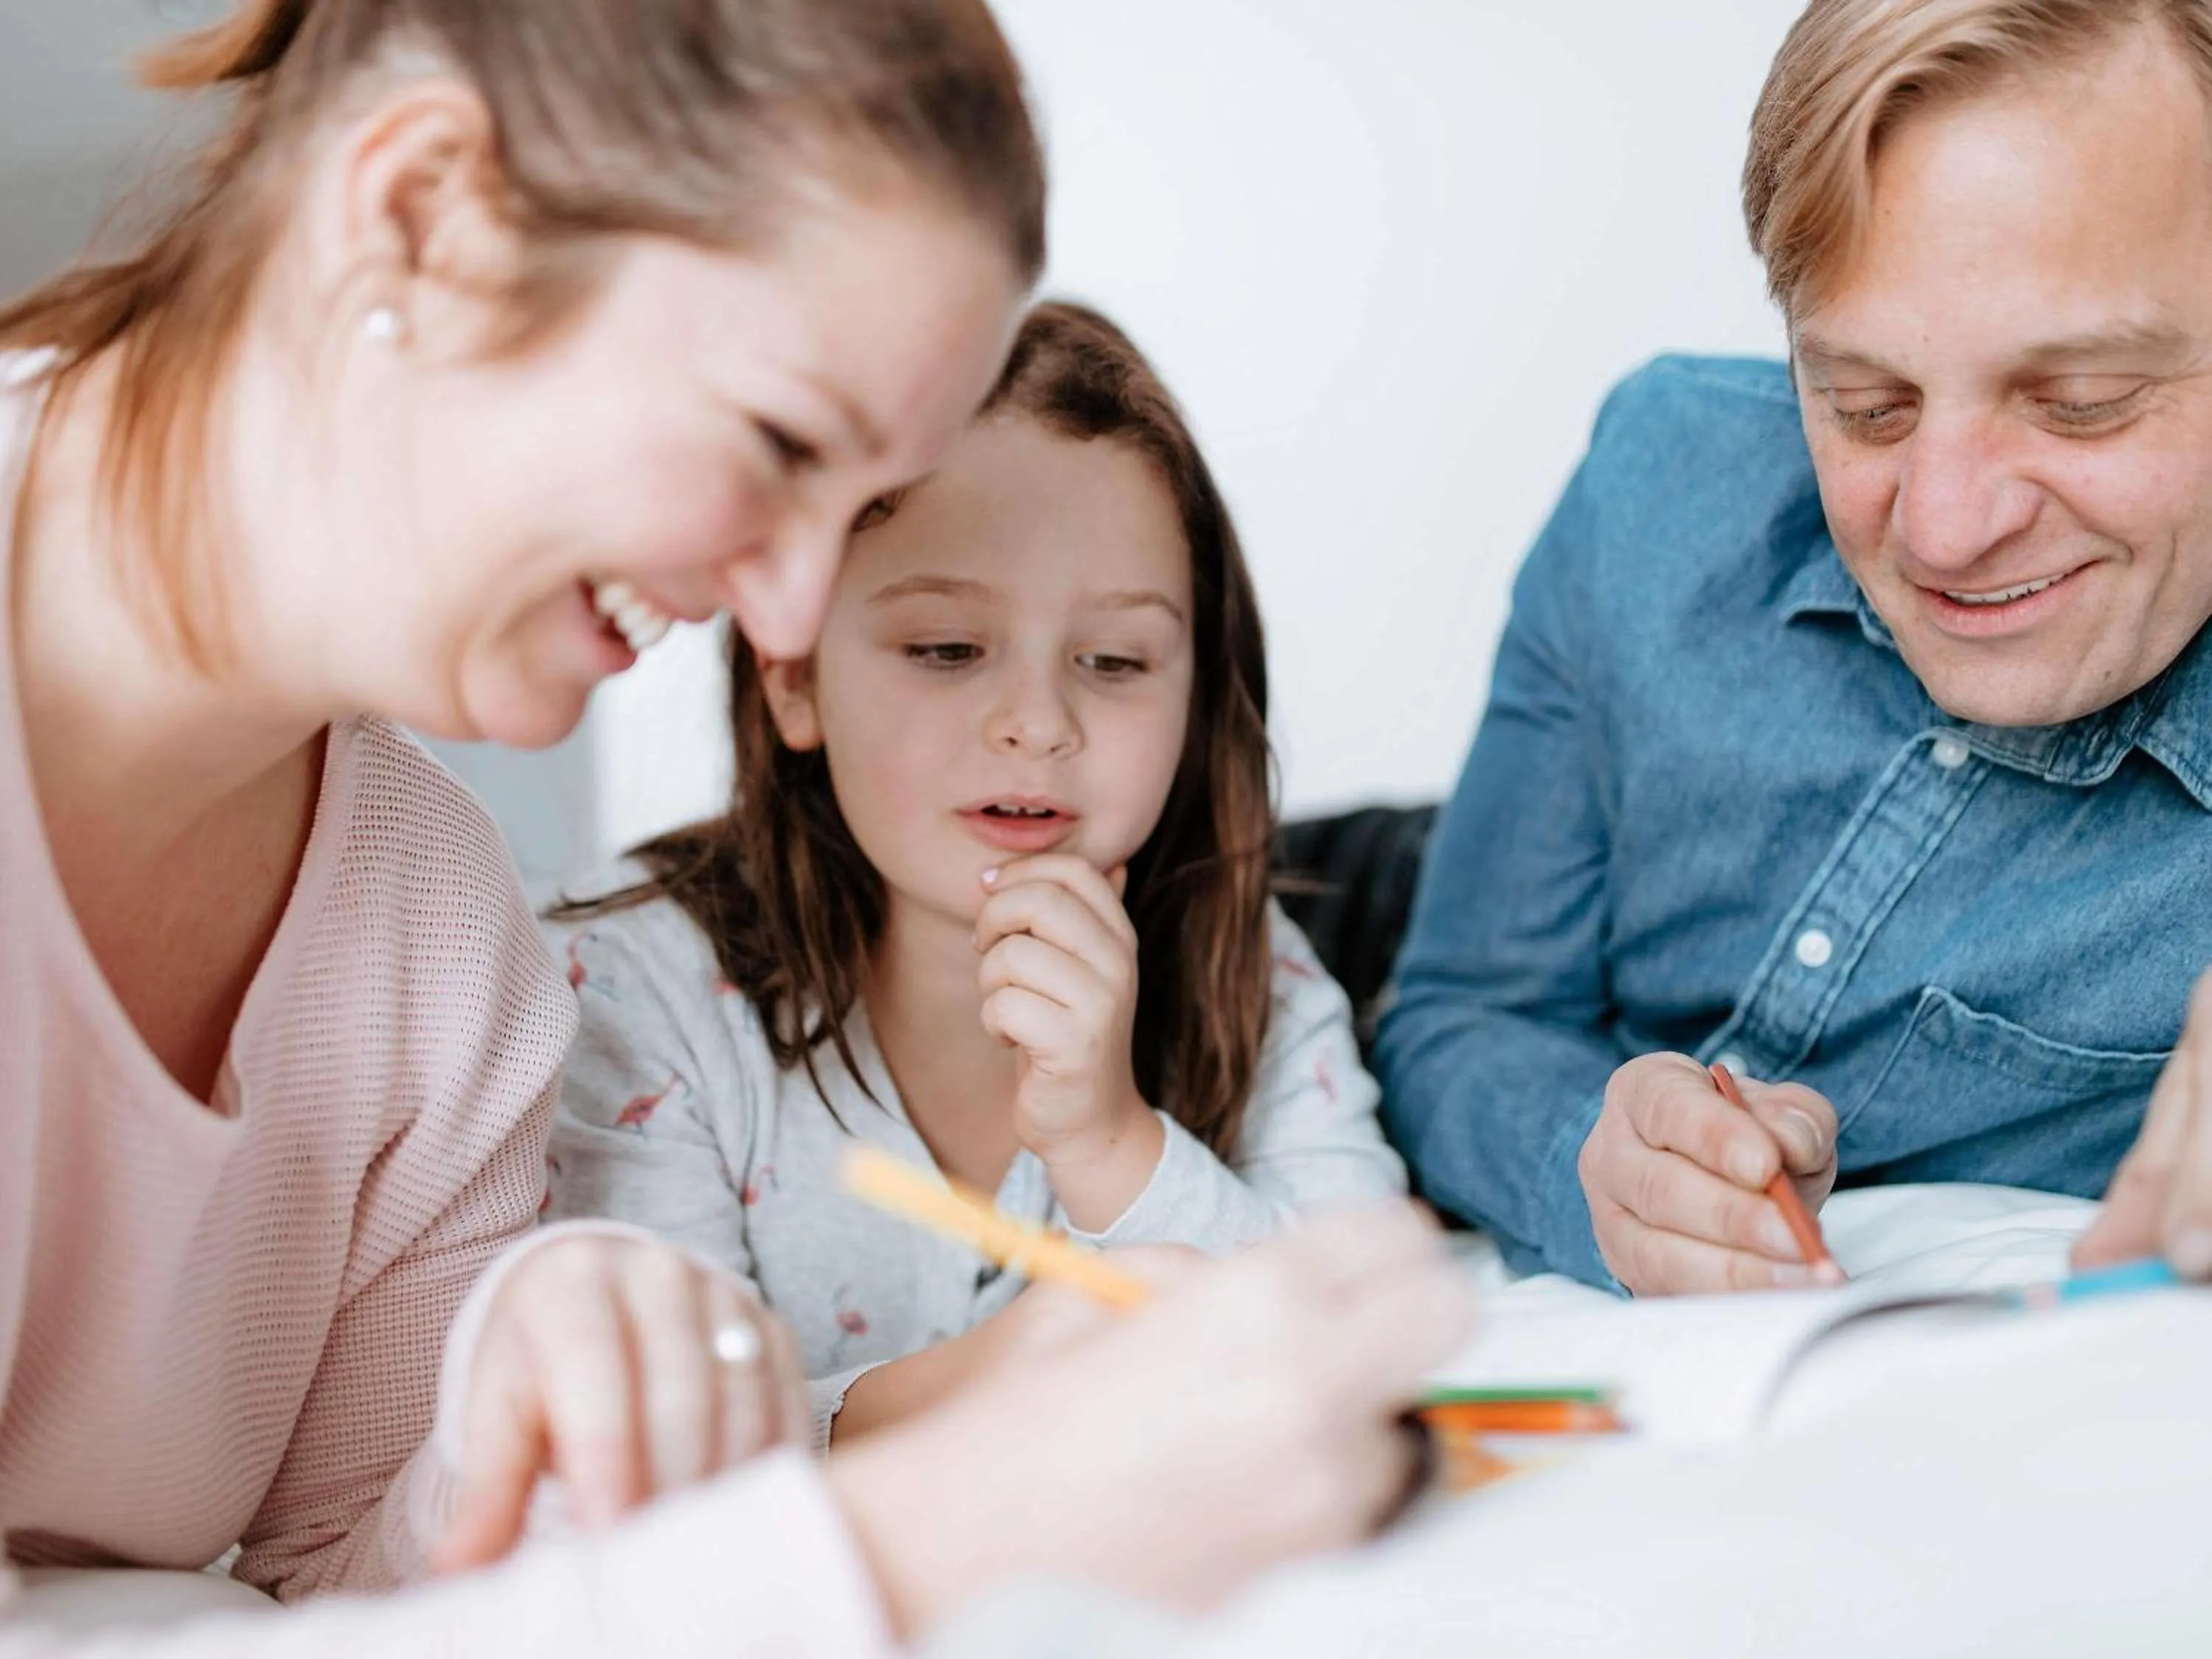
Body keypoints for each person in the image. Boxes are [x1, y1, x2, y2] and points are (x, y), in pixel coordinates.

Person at [0, 1, 1467, 1651]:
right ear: (421, 213)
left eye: (847, 518)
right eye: (779, 446)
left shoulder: (441, 943)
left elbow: (348, 1579)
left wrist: (524, 1414)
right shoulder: (584, 973)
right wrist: (911, 1539)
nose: (778, 605)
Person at [1378, 0, 2212, 1295]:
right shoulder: (1657, 483)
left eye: (2080, 403)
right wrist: (1584, 1162)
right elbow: (1457, 1015)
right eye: (1866, 406)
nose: (1942, 528)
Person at [543, 302, 1409, 1445]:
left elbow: (1375, 1340)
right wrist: (1036, 1370)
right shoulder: (630, 993)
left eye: (1114, 660)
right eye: (947, 649)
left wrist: (1108, 1141)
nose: (1038, 724)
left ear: (1196, 693)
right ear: (792, 677)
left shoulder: (1255, 967)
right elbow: (660, 1441)